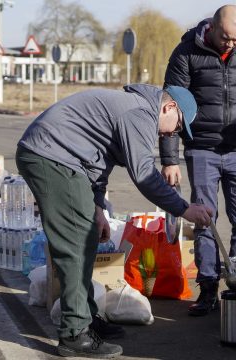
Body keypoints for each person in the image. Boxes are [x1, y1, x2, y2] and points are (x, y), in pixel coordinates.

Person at [16, 84, 213, 359]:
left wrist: (97, 207)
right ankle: (74, 334)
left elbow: (99, 162)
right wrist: (183, 209)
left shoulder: (133, 109)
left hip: (62, 159)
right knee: (76, 244)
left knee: (86, 240)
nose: (171, 134)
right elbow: (143, 173)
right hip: (51, 157)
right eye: (177, 126)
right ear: (169, 108)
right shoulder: (140, 113)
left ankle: (85, 319)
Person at [162, 4, 236, 316]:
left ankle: (234, 281)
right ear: (213, 28)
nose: (230, 45)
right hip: (202, 148)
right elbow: (168, 107)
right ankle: (207, 289)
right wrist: (169, 160)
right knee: (204, 219)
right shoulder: (186, 52)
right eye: (226, 38)